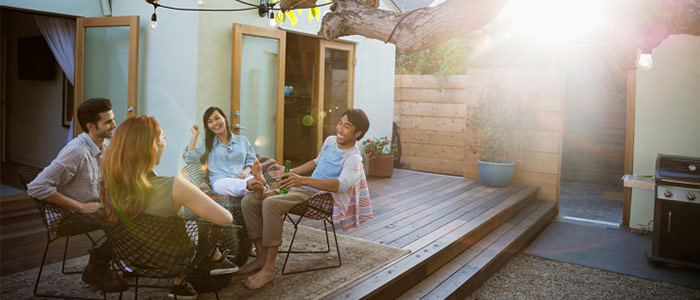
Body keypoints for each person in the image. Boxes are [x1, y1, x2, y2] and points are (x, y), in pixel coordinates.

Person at [100, 116, 238, 299]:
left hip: (131, 259)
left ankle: (183, 283)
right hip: (174, 263)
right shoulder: (175, 186)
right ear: (153, 146)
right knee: (209, 222)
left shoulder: (108, 185)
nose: (165, 143)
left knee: (180, 220)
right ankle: (215, 259)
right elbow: (225, 218)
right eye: (163, 138)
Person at [239, 108, 370, 289]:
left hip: (317, 197)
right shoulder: (330, 141)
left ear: (358, 133)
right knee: (250, 200)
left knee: (270, 204)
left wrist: (303, 180)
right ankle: (261, 255)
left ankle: (269, 268)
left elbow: (343, 185)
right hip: (301, 188)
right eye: (340, 123)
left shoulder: (353, 158)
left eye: (346, 126)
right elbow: (316, 162)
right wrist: (290, 172)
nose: (339, 129)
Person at [27, 98, 124, 291]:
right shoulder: (76, 152)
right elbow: (36, 187)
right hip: (66, 217)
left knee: (137, 210)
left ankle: (118, 260)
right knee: (127, 221)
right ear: (91, 126)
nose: (114, 125)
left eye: (113, 119)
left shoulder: (103, 147)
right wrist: (81, 207)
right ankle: (97, 268)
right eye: (108, 122)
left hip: (92, 208)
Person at [183, 107, 267, 199]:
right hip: (221, 180)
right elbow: (189, 158)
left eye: (217, 118)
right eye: (210, 121)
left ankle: (256, 185)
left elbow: (251, 160)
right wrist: (195, 135)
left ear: (224, 118)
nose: (215, 123)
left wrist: (245, 171)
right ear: (208, 127)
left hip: (243, 177)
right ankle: (255, 186)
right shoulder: (206, 144)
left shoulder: (242, 141)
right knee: (228, 185)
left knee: (249, 181)